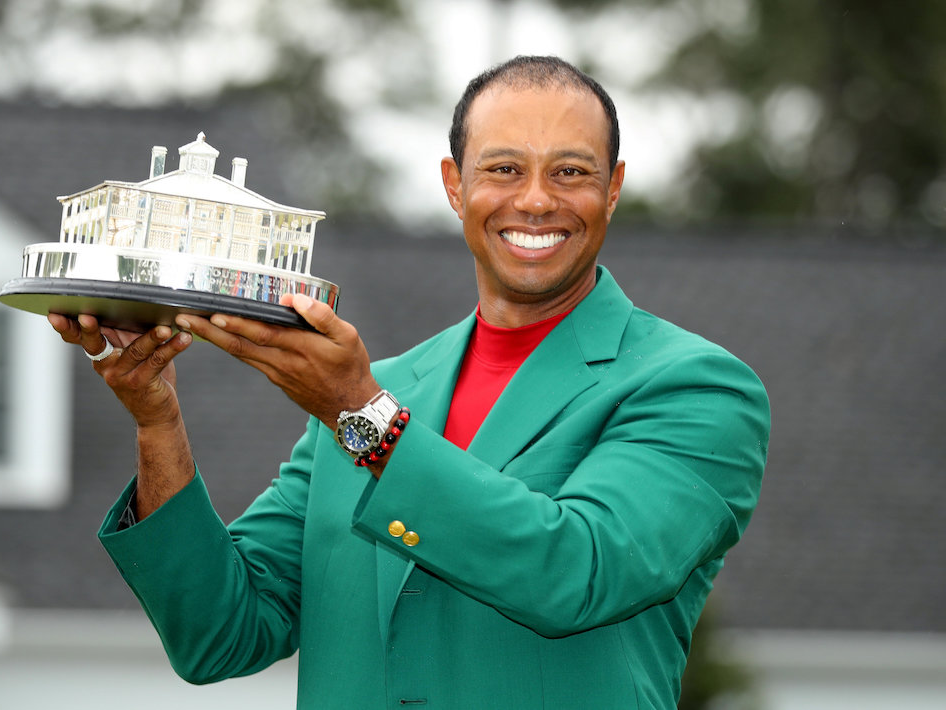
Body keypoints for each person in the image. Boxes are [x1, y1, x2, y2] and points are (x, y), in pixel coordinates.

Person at [49, 55, 770, 709]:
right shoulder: (370, 391)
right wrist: (157, 421)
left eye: (571, 172)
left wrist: (361, 415)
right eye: (504, 169)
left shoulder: (696, 388)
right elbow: (221, 635)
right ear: (455, 185)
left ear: (613, 189)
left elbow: (576, 573)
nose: (535, 200)